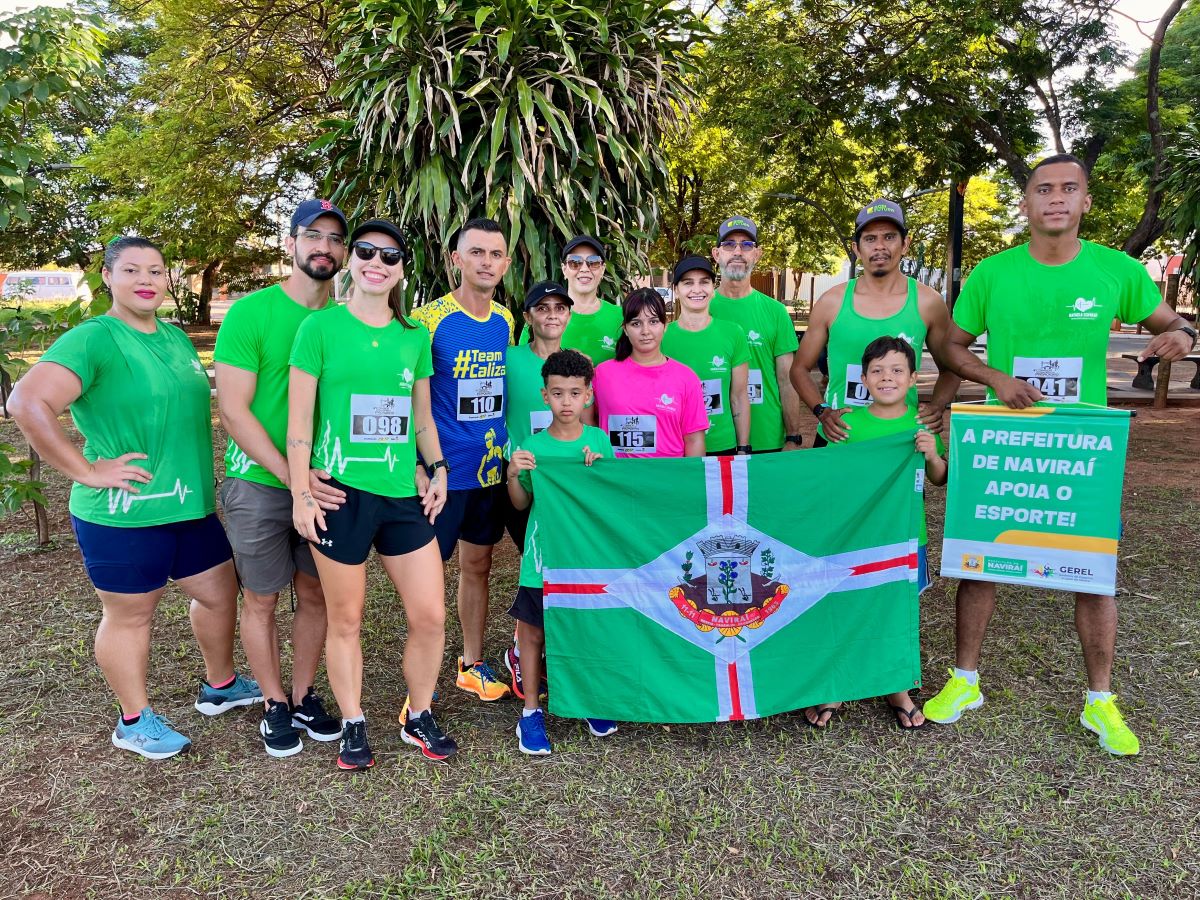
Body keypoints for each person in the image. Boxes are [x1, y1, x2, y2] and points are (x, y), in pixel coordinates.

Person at [924, 154, 1198, 756]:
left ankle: (1100, 699)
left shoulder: (1117, 270)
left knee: (1093, 571)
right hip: (1005, 443)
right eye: (1043, 189)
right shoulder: (993, 273)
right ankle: (964, 681)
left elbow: (1175, 324)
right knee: (980, 561)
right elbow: (950, 348)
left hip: (1082, 447)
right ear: (1026, 203)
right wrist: (995, 378)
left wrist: (1183, 335)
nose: (1055, 198)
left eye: (1068, 189)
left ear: (1085, 202)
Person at [8, 236, 260, 759]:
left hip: (189, 507)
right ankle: (133, 720)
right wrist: (86, 470)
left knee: (219, 594)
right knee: (131, 617)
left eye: (156, 270)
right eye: (131, 270)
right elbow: (27, 401)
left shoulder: (176, 337)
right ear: (107, 277)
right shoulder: (93, 339)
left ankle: (220, 685)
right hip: (124, 514)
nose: (146, 279)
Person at [287, 218, 456, 770]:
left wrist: (437, 469)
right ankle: (353, 721)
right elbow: (299, 424)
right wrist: (301, 492)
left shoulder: (414, 337)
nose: (376, 263)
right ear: (350, 261)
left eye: (389, 256)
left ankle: (419, 713)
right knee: (346, 619)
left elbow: (422, 418)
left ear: (402, 268)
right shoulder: (319, 328)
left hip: (401, 496)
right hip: (340, 495)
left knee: (430, 616)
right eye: (365, 252)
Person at [214, 199, 348, 757]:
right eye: (313, 235)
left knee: (316, 592)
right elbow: (234, 411)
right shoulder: (252, 313)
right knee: (263, 597)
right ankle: (273, 703)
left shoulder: (346, 320)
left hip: (327, 482)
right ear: (290, 243)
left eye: (335, 239)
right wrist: (294, 478)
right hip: (260, 482)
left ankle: (303, 694)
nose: (324, 247)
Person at [803, 336, 946, 729]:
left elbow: (939, 478)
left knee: (897, 612)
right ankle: (837, 684)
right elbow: (825, 480)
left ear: (913, 378)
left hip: (905, 537)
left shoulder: (922, 425)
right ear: (863, 379)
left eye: (897, 370)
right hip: (855, 539)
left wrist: (932, 454)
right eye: (877, 371)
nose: (887, 378)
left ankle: (896, 687)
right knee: (846, 606)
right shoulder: (847, 425)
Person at [409, 218, 516, 702]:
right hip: (442, 475)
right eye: (476, 252)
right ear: (457, 259)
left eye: (494, 254)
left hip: (489, 471)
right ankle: (420, 686)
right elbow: (410, 397)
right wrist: (420, 465)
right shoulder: (427, 319)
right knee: (427, 578)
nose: (485, 262)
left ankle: (471, 664)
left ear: (506, 263)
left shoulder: (505, 321)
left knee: (479, 566)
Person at [506, 349, 616, 754]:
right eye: (557, 393)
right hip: (542, 558)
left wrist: (599, 471)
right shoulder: (533, 446)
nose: (566, 402)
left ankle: (588, 699)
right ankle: (530, 712)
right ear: (544, 396)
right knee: (533, 632)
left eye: (574, 393)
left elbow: (609, 502)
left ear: (588, 395)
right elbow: (520, 503)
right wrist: (513, 473)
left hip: (585, 558)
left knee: (584, 628)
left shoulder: (598, 441)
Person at [790, 199, 960, 447]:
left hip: (900, 438)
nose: (880, 246)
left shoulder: (928, 302)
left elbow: (951, 368)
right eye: (870, 239)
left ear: (905, 244)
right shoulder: (832, 302)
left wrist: (937, 405)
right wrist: (822, 411)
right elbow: (799, 368)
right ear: (857, 249)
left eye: (889, 237)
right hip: (839, 435)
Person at [502, 280, 592, 699]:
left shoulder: (579, 363)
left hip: (566, 490)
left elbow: (589, 427)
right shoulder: (509, 359)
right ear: (528, 317)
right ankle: (524, 652)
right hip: (525, 476)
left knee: (562, 572)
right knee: (534, 571)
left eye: (560, 307)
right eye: (542, 307)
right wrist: (511, 462)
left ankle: (557, 657)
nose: (552, 314)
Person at [709, 215, 804, 452]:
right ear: (716, 254)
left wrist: (793, 437)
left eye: (746, 245)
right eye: (729, 244)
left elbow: (787, 380)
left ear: (757, 254)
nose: (737, 251)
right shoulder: (701, 309)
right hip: (714, 440)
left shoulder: (776, 312)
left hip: (767, 439)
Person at [593, 288, 709, 458]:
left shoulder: (686, 378)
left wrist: (691, 475)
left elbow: (694, 440)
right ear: (625, 329)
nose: (645, 331)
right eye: (636, 323)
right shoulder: (602, 374)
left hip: (667, 473)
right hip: (616, 473)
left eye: (653, 321)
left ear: (665, 325)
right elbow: (586, 426)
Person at [663, 256, 752, 455]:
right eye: (688, 283)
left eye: (704, 282)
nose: (697, 290)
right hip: (674, 448)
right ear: (676, 290)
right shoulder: (661, 336)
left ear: (713, 289)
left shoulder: (733, 333)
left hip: (722, 446)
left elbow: (738, 396)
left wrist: (743, 447)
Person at [517, 235, 623, 363]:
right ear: (564, 269)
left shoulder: (621, 317)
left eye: (593, 262)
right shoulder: (541, 317)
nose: (584, 269)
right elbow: (524, 364)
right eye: (575, 262)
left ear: (602, 270)